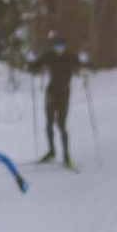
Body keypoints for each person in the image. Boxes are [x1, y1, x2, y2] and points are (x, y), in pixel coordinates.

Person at [37, 34, 78, 167]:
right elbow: (36, 64)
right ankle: (51, 151)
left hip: (64, 94)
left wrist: (86, 70)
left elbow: (82, 65)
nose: (58, 50)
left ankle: (66, 154)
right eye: (56, 47)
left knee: (61, 124)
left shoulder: (70, 57)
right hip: (51, 93)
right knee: (49, 123)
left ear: (65, 47)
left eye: (60, 47)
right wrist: (31, 65)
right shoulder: (49, 56)